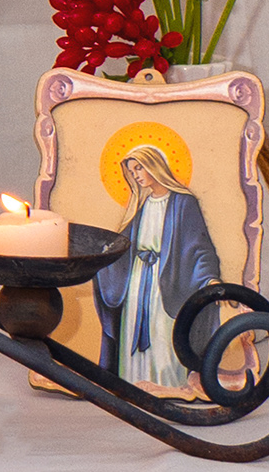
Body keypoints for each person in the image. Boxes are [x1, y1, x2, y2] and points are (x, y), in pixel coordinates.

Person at [93, 143, 222, 387]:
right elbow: (123, 247)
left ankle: (169, 388)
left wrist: (209, 278)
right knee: (132, 334)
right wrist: (101, 258)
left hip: (167, 283)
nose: (136, 175)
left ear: (155, 165)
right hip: (137, 282)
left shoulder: (183, 203)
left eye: (140, 168)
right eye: (132, 171)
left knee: (163, 336)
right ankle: (133, 384)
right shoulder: (141, 205)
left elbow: (199, 246)